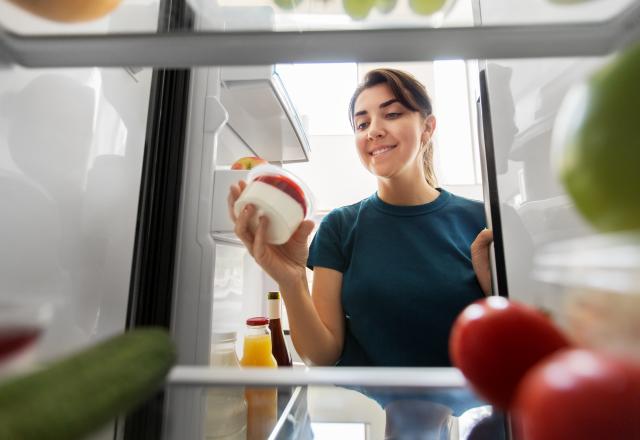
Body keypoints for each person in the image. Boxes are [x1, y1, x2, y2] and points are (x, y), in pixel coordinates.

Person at [228, 68, 493, 367]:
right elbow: (322, 355)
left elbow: (512, 342)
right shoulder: (339, 227)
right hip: (367, 412)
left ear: (427, 128)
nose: (373, 131)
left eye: (392, 114)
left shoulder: (482, 220)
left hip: (465, 411)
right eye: (362, 122)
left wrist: (496, 293)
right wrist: (292, 281)